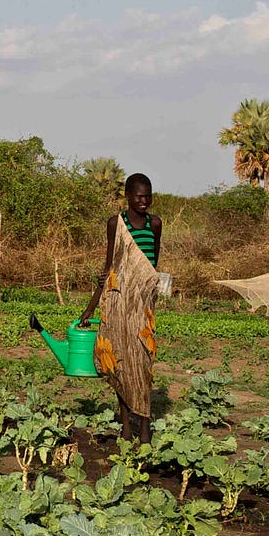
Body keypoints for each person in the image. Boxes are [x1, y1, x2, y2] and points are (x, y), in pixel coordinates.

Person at [77, 173, 161, 441]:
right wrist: (91, 307)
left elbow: (150, 267)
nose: (144, 201)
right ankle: (127, 427)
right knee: (120, 363)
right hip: (116, 303)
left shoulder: (155, 224)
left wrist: (141, 287)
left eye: (148, 195)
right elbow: (110, 266)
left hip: (141, 306)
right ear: (127, 196)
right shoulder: (116, 223)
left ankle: (144, 428)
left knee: (144, 363)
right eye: (139, 196)